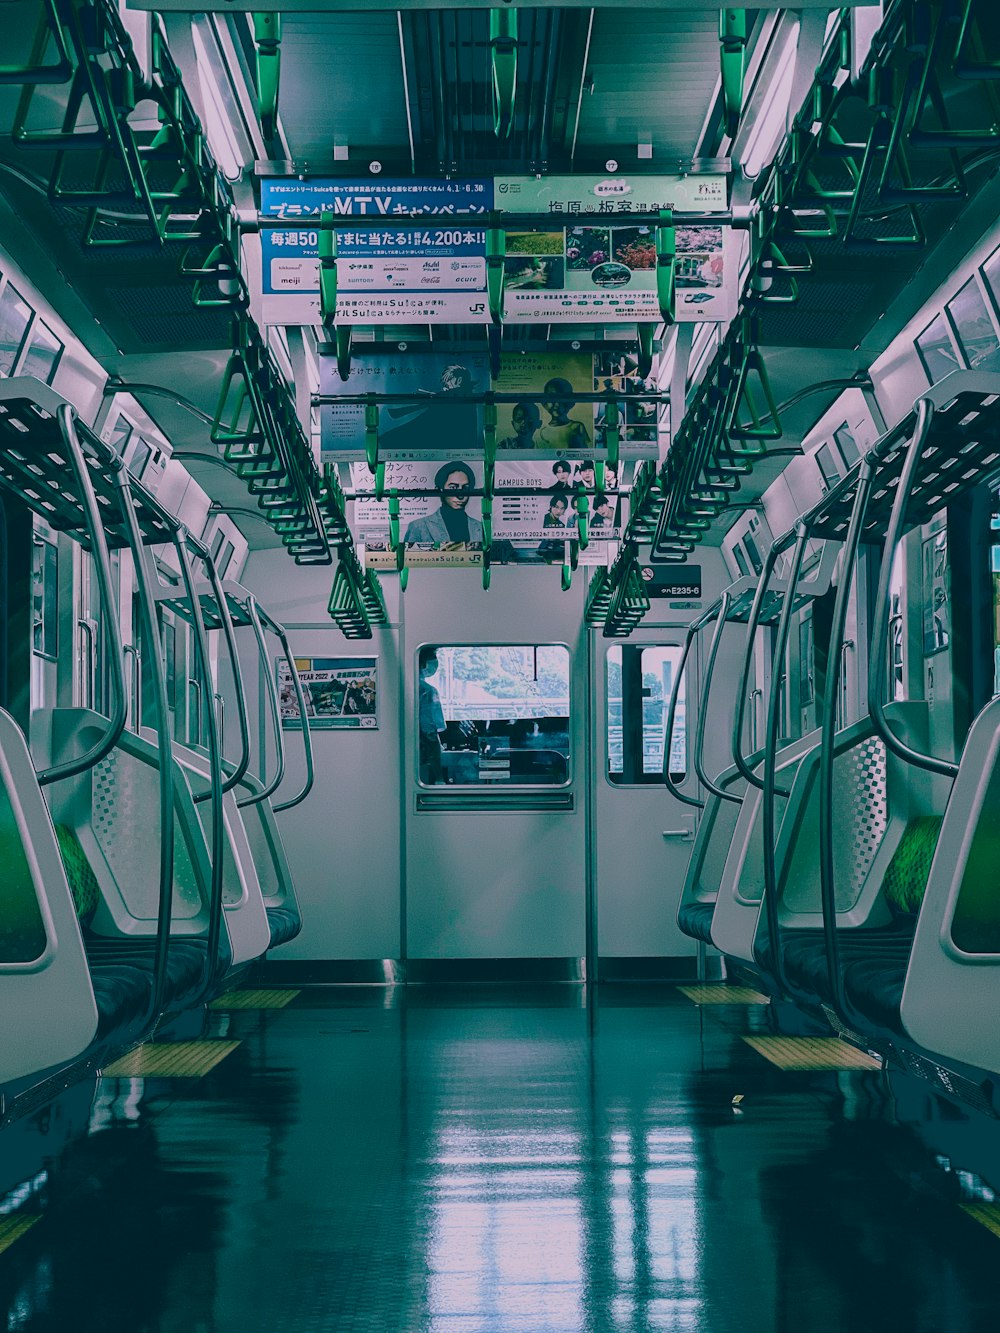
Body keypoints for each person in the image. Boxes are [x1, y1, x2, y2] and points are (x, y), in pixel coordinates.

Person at [403, 462, 483, 545]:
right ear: (439, 490)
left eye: (465, 488)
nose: (460, 495)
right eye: (453, 488)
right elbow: (407, 557)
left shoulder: (480, 527)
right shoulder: (418, 526)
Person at [537, 378, 592, 450]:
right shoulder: (543, 432)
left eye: (562, 399)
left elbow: (586, 451)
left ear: (571, 402)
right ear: (544, 403)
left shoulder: (577, 426)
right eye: (552, 398)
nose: (557, 404)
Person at [418, 649, 447, 784]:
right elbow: (429, 732)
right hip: (421, 757)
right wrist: (439, 777)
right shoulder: (427, 691)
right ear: (423, 663)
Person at [537, 494, 569, 562]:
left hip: (554, 556)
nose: (558, 511)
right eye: (556, 507)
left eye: (562, 508)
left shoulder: (561, 525)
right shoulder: (542, 519)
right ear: (551, 507)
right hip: (539, 554)